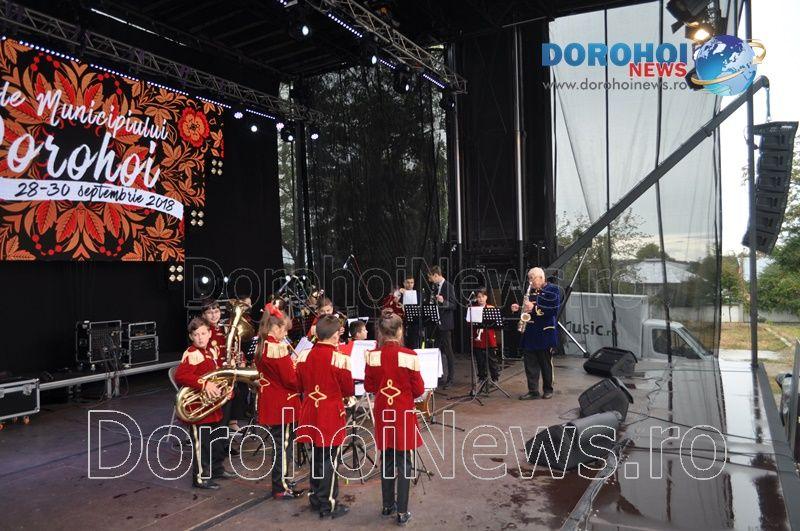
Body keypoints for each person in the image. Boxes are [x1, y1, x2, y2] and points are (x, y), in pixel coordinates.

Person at [365, 311, 425, 526]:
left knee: (387, 457)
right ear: (400, 331)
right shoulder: (409, 355)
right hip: (402, 413)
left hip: (383, 412)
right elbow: (418, 390)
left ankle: (387, 505)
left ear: (380, 332)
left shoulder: (373, 356)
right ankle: (402, 511)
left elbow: (369, 386)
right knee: (404, 460)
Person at [295, 314, 354, 519]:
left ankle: (315, 498)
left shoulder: (303, 356)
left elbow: (298, 385)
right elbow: (348, 389)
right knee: (330, 460)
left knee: (317, 457)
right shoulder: (339, 359)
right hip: (330, 414)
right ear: (335, 335)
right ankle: (328, 504)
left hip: (310, 412)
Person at [174, 317, 234, 489]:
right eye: (196, 335)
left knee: (215, 440)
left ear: (209, 334)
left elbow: (216, 377)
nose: (200, 338)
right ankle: (200, 478)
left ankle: (216, 469)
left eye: (203, 333)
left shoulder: (210, 351)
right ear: (191, 337)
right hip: (198, 409)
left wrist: (224, 390)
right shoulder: (192, 353)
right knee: (202, 445)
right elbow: (181, 376)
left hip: (211, 407)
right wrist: (204, 384)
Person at [255, 304, 304, 500]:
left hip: (272, 400)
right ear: (275, 328)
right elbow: (290, 380)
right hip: (283, 402)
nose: (285, 334)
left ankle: (282, 480)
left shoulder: (264, 344)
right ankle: (280, 487)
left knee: (281, 444)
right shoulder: (277, 348)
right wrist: (299, 368)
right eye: (284, 330)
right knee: (283, 446)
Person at [511, 268, 561, 400]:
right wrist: (519, 308)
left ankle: (548, 389)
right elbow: (527, 310)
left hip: (545, 332)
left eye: (531, 278)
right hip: (530, 332)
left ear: (540, 277)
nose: (530, 282)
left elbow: (553, 309)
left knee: (545, 363)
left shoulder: (553, 290)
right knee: (530, 364)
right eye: (529, 279)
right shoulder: (530, 290)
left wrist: (534, 308)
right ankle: (533, 391)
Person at [427, 266, 456, 388]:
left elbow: (454, 305)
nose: (430, 280)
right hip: (435, 323)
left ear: (436, 275)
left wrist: (443, 301)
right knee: (435, 350)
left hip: (445, 324)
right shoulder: (434, 287)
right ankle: (438, 376)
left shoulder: (448, 286)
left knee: (448, 351)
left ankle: (451, 379)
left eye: (430, 277)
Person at [472, 287, 501, 384]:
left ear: (486, 297)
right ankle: (482, 377)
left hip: (489, 338)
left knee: (492, 359)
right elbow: (469, 323)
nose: (481, 299)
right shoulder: (473, 308)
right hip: (478, 338)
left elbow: (496, 323)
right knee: (480, 360)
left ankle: (495, 377)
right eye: (479, 297)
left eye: (483, 296)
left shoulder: (490, 308)